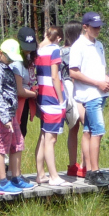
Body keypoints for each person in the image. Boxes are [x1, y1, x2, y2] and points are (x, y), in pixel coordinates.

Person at [69, 11, 109, 187]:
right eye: (94, 27)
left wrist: (107, 78)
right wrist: (97, 83)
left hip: (100, 93)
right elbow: (73, 71)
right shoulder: (78, 46)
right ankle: (95, 171)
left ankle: (88, 171)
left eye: (99, 27)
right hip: (90, 95)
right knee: (98, 131)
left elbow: (98, 68)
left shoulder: (99, 45)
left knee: (88, 131)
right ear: (85, 27)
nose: (98, 30)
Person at [0, 40, 33, 195]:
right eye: (9, 57)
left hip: (10, 113)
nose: (11, 60)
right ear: (1, 52)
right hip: (1, 114)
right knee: (1, 146)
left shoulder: (6, 67)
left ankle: (16, 177)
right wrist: (5, 117)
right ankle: (3, 182)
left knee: (17, 143)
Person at [34, 26, 69, 186]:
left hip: (41, 97)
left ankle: (40, 174)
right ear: (59, 38)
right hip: (53, 99)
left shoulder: (38, 50)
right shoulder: (55, 50)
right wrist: (61, 100)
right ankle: (54, 176)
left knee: (43, 136)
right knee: (51, 139)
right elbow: (55, 77)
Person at [60, 20, 86, 177]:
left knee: (73, 129)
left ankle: (72, 165)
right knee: (87, 127)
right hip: (76, 90)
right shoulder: (75, 51)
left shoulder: (60, 51)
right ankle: (83, 165)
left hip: (64, 92)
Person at [14, 26, 38, 141]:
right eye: (25, 47)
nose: (28, 50)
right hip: (18, 101)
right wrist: (35, 94)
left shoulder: (30, 57)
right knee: (17, 132)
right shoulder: (16, 61)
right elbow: (19, 90)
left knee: (22, 131)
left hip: (26, 100)